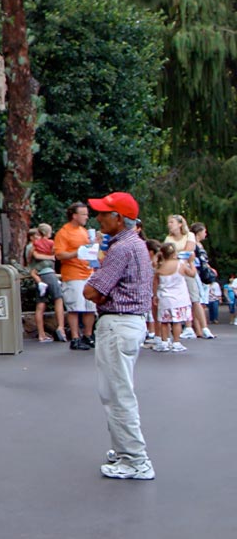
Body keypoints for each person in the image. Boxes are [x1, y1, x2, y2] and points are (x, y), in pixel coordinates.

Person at [84, 192, 155, 481]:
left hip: (118, 325)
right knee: (116, 391)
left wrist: (94, 284)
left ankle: (135, 460)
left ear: (119, 218)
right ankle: (123, 450)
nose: (98, 217)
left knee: (117, 395)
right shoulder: (134, 244)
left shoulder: (121, 249)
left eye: (104, 213)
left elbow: (92, 291)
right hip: (129, 324)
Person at [54, 202, 96, 350]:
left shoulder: (84, 231)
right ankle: (75, 337)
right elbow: (59, 254)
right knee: (75, 306)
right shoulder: (64, 232)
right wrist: (76, 252)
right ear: (74, 215)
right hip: (73, 273)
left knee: (90, 305)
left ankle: (88, 335)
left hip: (88, 271)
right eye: (83, 214)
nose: (86, 216)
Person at [164, 215, 201, 339]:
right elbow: (166, 254)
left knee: (194, 298)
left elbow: (188, 251)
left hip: (186, 267)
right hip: (176, 270)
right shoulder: (168, 238)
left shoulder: (189, 235)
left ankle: (202, 328)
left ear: (180, 224)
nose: (169, 224)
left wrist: (177, 257)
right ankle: (188, 326)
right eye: (168, 222)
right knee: (181, 298)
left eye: (172, 222)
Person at [27, 223, 65, 342]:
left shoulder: (32, 245)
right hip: (48, 273)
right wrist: (51, 257)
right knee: (58, 299)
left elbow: (31, 257)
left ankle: (41, 334)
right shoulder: (50, 243)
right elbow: (56, 255)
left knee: (40, 305)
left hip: (38, 275)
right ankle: (61, 327)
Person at [152, 242, 192, 352]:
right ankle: (176, 342)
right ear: (174, 253)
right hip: (179, 298)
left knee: (164, 322)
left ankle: (164, 342)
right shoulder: (180, 265)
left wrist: (155, 295)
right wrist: (191, 262)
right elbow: (192, 274)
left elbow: (155, 283)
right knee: (176, 322)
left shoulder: (160, 267)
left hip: (164, 298)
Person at [190, 222, 217, 338]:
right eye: (204, 231)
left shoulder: (200, 245)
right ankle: (198, 329)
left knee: (202, 302)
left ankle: (200, 328)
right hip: (198, 274)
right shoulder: (193, 245)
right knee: (198, 301)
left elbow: (204, 260)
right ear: (199, 232)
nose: (205, 234)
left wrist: (210, 269)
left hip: (204, 275)